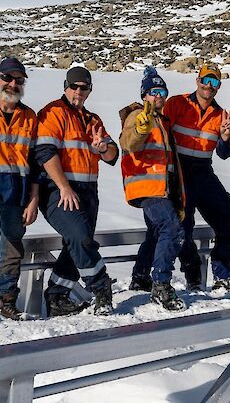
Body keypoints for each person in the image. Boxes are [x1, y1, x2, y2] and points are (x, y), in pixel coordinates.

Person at [36, 66, 119, 316]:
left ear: (90, 90)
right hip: (57, 189)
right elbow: (44, 153)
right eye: (74, 86)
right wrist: (63, 187)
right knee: (81, 238)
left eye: (84, 87)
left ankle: (57, 296)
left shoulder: (93, 120)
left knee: (77, 244)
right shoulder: (53, 113)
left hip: (88, 191)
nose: (79, 91)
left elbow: (113, 156)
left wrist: (102, 147)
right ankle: (101, 288)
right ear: (66, 86)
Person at [161, 64, 230, 292]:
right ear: (197, 81)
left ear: (219, 87)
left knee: (227, 214)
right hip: (178, 172)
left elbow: (223, 154)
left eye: (215, 82)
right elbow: (161, 134)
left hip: (203, 171)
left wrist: (226, 137)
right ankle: (193, 273)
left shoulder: (220, 115)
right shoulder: (177, 104)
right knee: (183, 225)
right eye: (206, 80)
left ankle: (222, 270)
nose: (209, 86)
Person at [120, 67, 186, 311]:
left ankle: (140, 276)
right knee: (171, 228)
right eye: (153, 91)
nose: (159, 96)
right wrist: (141, 128)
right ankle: (161, 285)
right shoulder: (137, 116)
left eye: (162, 91)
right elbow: (130, 142)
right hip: (147, 186)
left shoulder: (162, 121)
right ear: (144, 95)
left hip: (161, 187)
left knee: (156, 233)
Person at [0, 58, 39, 320]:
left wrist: (34, 199)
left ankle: (6, 301)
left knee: (12, 250)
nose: (13, 84)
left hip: (16, 194)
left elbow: (35, 163)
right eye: (8, 78)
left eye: (19, 80)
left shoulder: (29, 116)